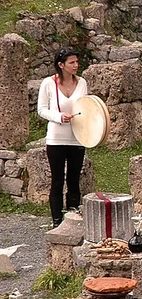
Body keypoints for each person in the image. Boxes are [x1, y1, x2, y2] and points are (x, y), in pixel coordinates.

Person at [37, 48, 88, 227]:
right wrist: (59, 117)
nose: (76, 65)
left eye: (77, 62)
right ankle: (57, 221)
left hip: (77, 136)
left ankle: (73, 219)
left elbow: (86, 106)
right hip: (56, 138)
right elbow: (41, 109)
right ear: (61, 64)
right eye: (71, 62)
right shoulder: (48, 83)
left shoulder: (82, 83)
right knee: (57, 180)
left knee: (74, 179)